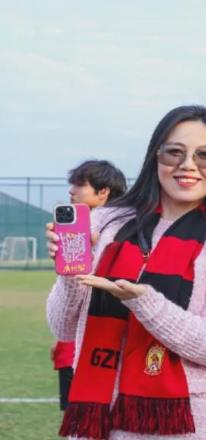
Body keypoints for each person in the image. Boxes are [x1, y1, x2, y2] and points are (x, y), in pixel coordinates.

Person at [46, 106, 206, 439]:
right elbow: (63, 326)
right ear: (155, 156)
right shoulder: (105, 223)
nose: (188, 165)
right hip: (99, 416)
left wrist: (145, 302)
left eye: (204, 156)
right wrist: (71, 272)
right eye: (175, 152)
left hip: (193, 421)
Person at [51, 159, 127, 411]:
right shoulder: (76, 230)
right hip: (72, 344)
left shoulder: (125, 233)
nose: (71, 191)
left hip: (105, 348)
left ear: (103, 191)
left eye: (79, 185)